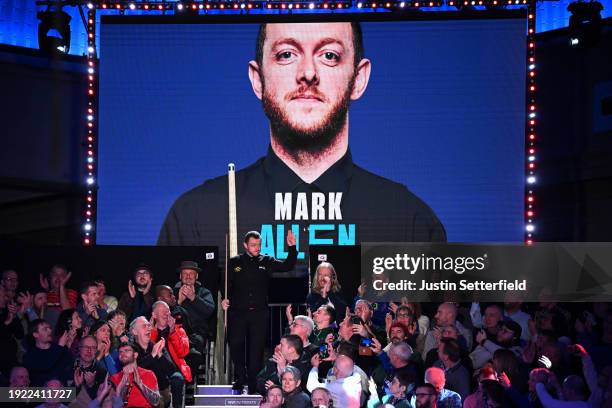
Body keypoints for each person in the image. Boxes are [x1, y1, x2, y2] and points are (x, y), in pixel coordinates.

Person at [158, 21, 446, 250]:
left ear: (358, 79)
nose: (308, 73)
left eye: (329, 56)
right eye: (286, 55)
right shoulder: (194, 218)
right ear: (258, 80)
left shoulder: (410, 222)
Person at [222, 230, 298, 393]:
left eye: (259, 245)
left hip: (259, 313)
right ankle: (240, 376)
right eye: (253, 245)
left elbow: (287, 266)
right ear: (245, 245)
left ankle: (252, 382)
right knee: (235, 344)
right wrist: (224, 298)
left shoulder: (267, 261)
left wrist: (292, 248)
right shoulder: (234, 262)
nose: (257, 248)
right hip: (238, 312)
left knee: (256, 349)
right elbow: (225, 282)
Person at [172, 261, 215, 346]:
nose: (188, 276)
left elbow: (209, 311)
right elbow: (166, 315)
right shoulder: (172, 293)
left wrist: (193, 298)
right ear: (180, 276)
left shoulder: (204, 292)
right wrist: (179, 302)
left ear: (196, 276)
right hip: (175, 334)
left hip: (196, 336)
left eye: (191, 273)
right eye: (185, 273)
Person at [110, 342, 161, 408]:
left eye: (126, 350)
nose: (122, 354)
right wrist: (123, 386)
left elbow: (156, 402)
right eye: (120, 352)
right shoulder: (115, 378)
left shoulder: (148, 374)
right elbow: (113, 405)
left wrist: (141, 385)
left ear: (135, 355)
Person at [23, 319, 73, 386]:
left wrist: (67, 347)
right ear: (35, 334)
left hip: (61, 392)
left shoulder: (57, 348)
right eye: (45, 329)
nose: (50, 331)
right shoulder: (30, 355)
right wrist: (60, 346)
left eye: (50, 328)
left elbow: (67, 368)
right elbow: (46, 365)